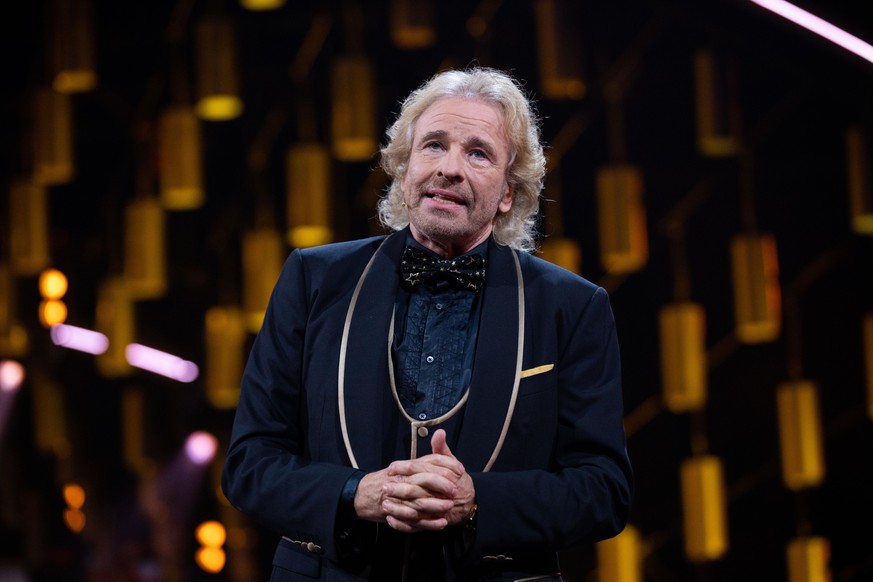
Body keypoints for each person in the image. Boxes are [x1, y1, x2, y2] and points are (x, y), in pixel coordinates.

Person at [221, 66, 632, 581]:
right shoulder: (313, 279)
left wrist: (477, 498)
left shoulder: (572, 307)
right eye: (433, 145)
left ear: (508, 191)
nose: (450, 168)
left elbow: (603, 490)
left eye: (478, 153)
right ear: (404, 168)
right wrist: (354, 493)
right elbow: (250, 464)